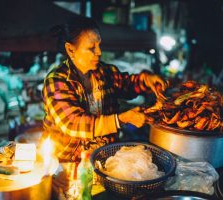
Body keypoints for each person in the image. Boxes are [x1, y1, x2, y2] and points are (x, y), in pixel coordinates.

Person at [41, 18, 167, 198]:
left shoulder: (104, 73)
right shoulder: (57, 81)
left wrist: (146, 80)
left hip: (103, 164)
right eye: (91, 48)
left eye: (99, 45)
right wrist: (121, 118)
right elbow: (74, 123)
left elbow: (127, 84)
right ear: (71, 50)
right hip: (66, 168)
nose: (99, 52)